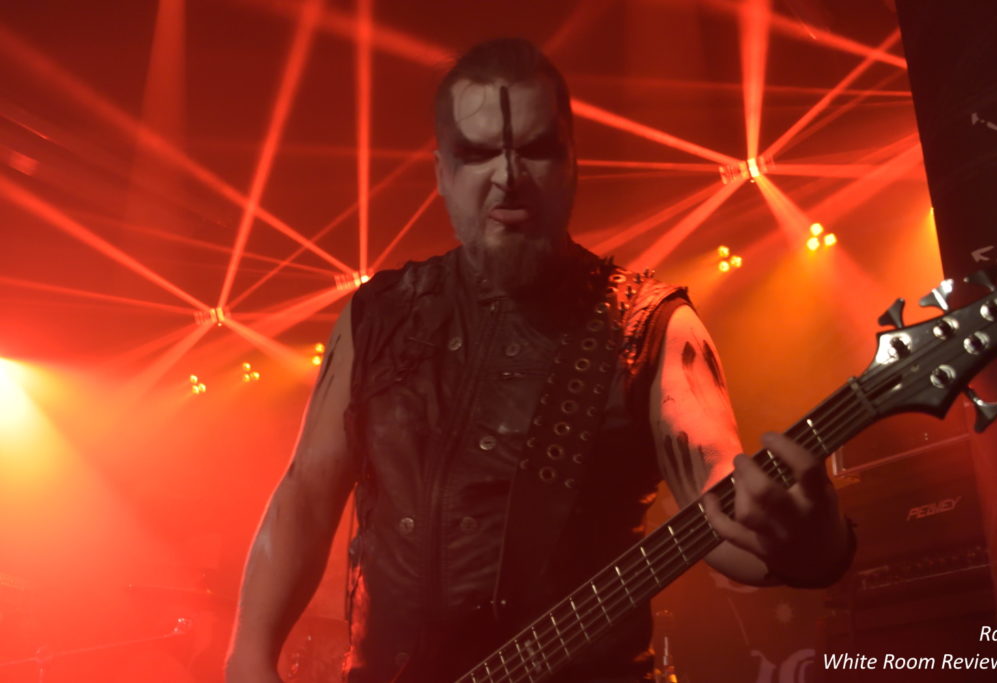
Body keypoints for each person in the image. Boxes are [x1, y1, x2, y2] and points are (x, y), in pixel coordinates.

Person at [225, 38, 854, 683]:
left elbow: (722, 515)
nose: (508, 176)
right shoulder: (377, 316)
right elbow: (306, 494)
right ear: (442, 173)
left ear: (573, 162)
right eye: (477, 154)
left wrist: (814, 544)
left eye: (536, 149)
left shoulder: (652, 325)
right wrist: (247, 657)